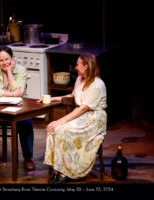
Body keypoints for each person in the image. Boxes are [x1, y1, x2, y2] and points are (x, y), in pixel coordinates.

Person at [42, 54, 107, 184]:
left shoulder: (97, 85)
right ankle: (58, 169)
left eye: (78, 64)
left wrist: (60, 121)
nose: (75, 67)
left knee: (61, 129)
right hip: (81, 116)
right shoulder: (79, 79)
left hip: (93, 119)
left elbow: (83, 108)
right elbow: (73, 95)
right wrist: (55, 98)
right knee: (53, 129)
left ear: (86, 66)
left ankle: (67, 171)